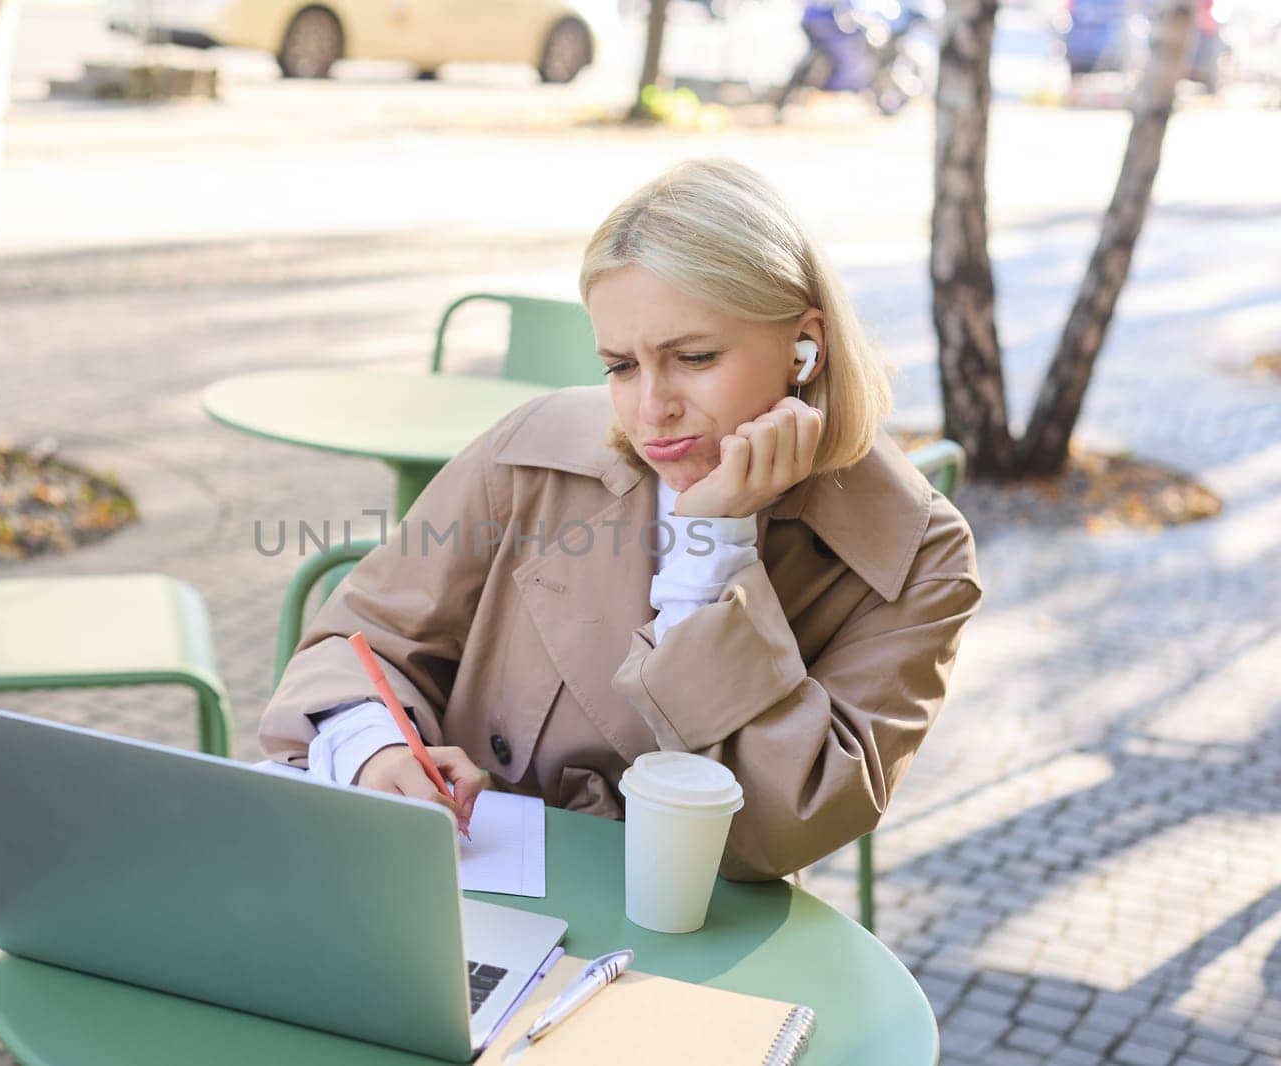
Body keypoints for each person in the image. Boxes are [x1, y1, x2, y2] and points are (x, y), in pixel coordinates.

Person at [259, 158, 981, 881]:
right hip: (465, 889)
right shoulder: (532, 452)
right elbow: (358, 646)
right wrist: (376, 751)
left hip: (696, 930)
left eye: (694, 357)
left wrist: (713, 547)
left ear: (804, 346)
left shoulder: (917, 552)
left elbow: (782, 827)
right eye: (620, 367)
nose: (650, 409)